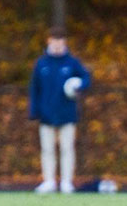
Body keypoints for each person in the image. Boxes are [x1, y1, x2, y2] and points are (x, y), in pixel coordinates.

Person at [29, 27, 91, 194]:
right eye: (54, 41)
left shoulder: (72, 62)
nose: (57, 45)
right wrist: (34, 110)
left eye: (60, 41)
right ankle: (49, 181)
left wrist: (80, 85)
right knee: (47, 149)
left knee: (67, 148)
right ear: (49, 41)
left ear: (64, 42)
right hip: (46, 114)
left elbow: (86, 78)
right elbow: (34, 88)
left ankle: (66, 182)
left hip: (67, 113)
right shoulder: (41, 63)